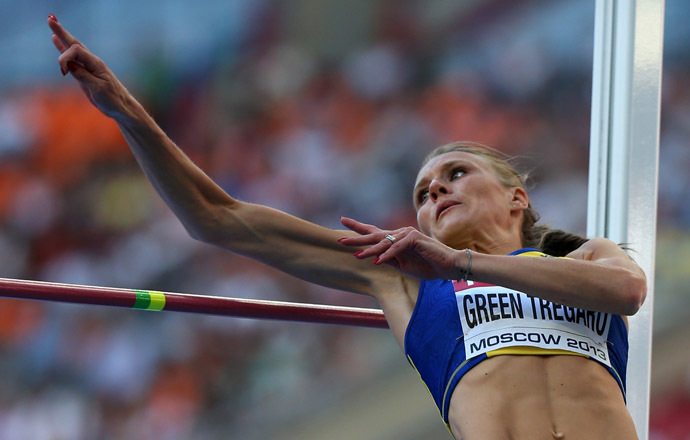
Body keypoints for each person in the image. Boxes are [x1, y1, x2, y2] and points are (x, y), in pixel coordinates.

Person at [47, 14, 646, 440]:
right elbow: (218, 219)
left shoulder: (588, 258)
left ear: (517, 196)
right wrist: (127, 112)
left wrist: (461, 264)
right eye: (421, 192)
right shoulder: (405, 282)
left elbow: (628, 293)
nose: (435, 189)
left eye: (455, 173)